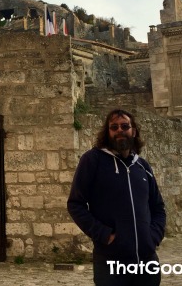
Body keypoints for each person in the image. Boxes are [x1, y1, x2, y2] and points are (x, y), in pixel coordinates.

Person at [67, 109, 166, 286]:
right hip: (111, 261)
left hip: (146, 260)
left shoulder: (142, 167)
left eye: (125, 126)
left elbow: (158, 207)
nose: (119, 130)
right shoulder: (93, 161)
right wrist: (104, 235)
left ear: (133, 131)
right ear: (108, 132)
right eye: (114, 127)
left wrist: (153, 237)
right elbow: (76, 204)